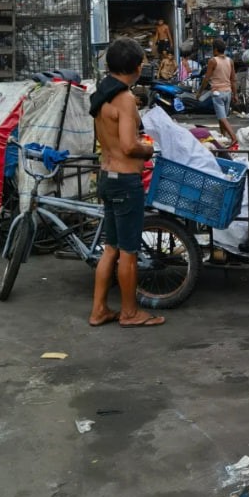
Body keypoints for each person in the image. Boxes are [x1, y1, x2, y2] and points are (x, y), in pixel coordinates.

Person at [88, 36, 163, 328]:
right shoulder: (125, 98)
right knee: (129, 252)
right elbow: (130, 146)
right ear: (134, 67)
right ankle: (130, 313)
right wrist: (149, 148)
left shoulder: (102, 93)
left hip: (107, 176)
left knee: (111, 247)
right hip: (125, 180)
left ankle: (99, 310)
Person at [198, 37, 239, 144]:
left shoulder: (213, 61)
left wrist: (199, 92)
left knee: (222, 118)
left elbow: (206, 78)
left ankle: (233, 138)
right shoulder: (230, 61)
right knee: (222, 118)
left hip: (217, 93)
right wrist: (235, 94)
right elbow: (233, 79)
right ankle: (223, 136)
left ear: (215, 49)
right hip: (228, 92)